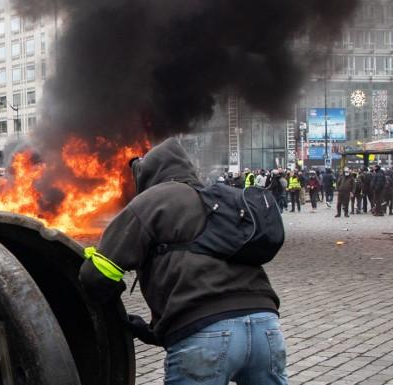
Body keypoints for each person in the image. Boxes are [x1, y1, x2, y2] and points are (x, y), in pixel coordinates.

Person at [79, 138, 285, 385]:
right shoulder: (220, 199)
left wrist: (112, 311)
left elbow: (96, 275)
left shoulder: (153, 200)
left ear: (148, 174)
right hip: (266, 326)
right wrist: (155, 329)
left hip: (205, 334)